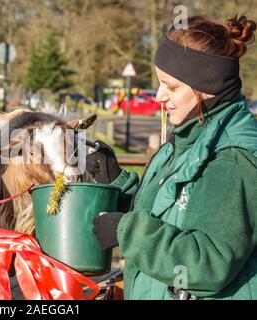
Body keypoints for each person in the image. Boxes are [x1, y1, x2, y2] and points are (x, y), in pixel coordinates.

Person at [88, 15, 257, 300]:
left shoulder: (231, 158)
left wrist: (127, 232)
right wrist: (118, 185)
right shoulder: (188, 137)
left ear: (208, 87)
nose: (158, 96)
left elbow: (209, 264)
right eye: (159, 84)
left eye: (172, 87)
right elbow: (171, 217)